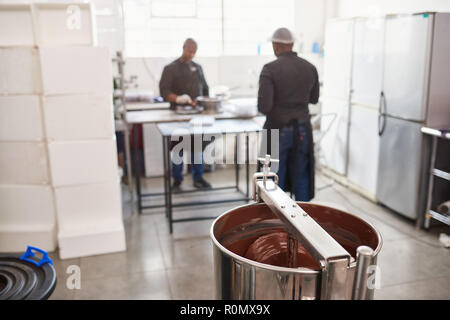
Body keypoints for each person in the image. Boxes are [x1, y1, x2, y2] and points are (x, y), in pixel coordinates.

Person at [257, 27, 320, 201]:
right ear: (291, 44)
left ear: (276, 46)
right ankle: (302, 221)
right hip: (302, 129)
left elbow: (264, 106)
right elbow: (314, 99)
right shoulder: (310, 68)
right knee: (301, 176)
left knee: (271, 178)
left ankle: (273, 221)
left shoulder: (269, 69)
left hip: (276, 129)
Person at [159, 38, 212, 191]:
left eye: (194, 52)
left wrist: (203, 102)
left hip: (197, 116)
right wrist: (178, 98)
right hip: (178, 116)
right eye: (189, 51)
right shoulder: (170, 68)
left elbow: (205, 90)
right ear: (183, 48)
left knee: (197, 148)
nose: (191, 54)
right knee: (178, 149)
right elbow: (164, 91)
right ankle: (177, 180)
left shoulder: (198, 68)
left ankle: (198, 178)